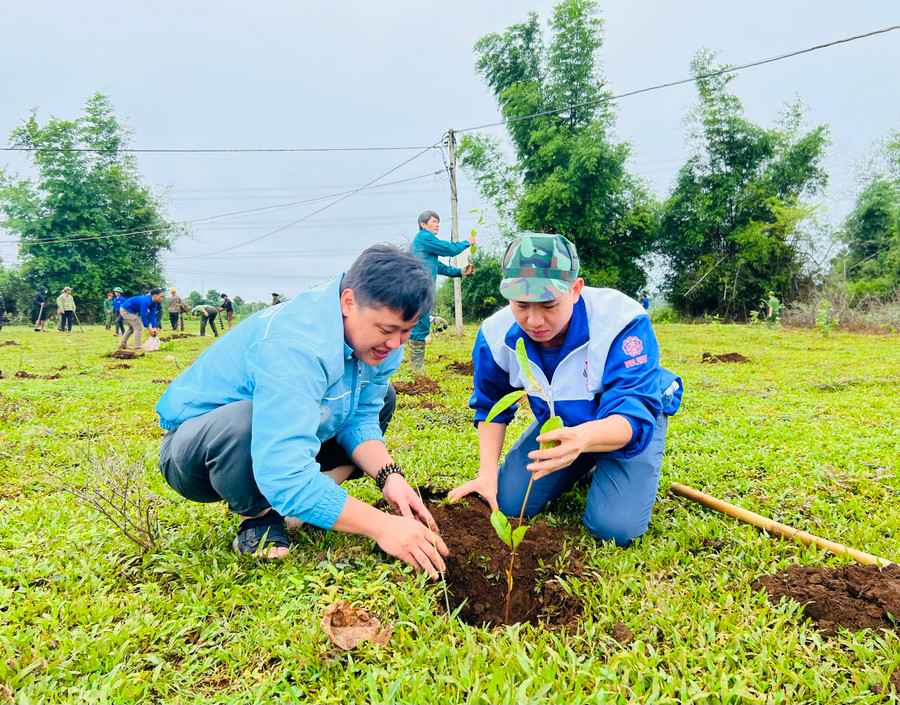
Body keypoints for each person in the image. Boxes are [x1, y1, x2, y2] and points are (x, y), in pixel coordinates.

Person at [155, 244, 448, 575]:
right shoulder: (295, 344)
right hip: (198, 451)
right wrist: (382, 526)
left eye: (406, 331)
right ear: (349, 302)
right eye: (386, 330)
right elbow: (283, 471)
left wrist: (389, 476)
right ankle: (259, 516)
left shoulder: (382, 344)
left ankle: (303, 505)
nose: (395, 344)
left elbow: (361, 416)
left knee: (385, 398)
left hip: (288, 432)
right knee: (245, 420)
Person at [449, 233, 684, 547]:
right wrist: (487, 473)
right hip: (564, 424)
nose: (534, 320)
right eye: (521, 305)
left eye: (548, 305)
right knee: (509, 503)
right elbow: (491, 405)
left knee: (613, 529)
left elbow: (634, 412)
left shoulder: (620, 320)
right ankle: (582, 465)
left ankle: (598, 461)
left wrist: (584, 439)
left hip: (626, 423)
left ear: (575, 290)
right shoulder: (495, 334)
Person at [408, 210, 475, 373]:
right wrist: (467, 242)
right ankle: (416, 369)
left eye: (438, 221)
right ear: (423, 225)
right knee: (419, 327)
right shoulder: (425, 237)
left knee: (418, 321)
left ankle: (417, 367)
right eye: (433, 221)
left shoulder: (424, 246)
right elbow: (449, 249)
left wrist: (460, 271)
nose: (437, 224)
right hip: (419, 288)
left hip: (421, 288)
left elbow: (439, 266)